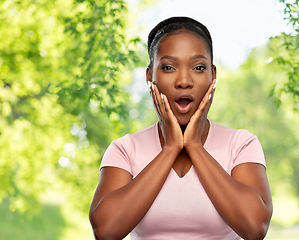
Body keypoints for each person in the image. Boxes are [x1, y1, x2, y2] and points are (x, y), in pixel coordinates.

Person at [89, 16, 272, 240]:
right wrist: (171, 147)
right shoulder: (125, 149)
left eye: (198, 67)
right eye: (168, 67)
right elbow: (105, 231)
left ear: (213, 75)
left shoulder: (241, 144)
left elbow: (255, 228)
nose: (184, 81)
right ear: (150, 76)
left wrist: (194, 145)